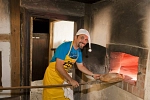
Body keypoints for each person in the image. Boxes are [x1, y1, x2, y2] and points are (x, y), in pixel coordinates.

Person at [42, 29, 101, 100]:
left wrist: (92, 74)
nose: (84, 41)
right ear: (75, 37)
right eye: (82, 38)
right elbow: (58, 66)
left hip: (62, 76)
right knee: (51, 97)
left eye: (86, 39)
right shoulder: (64, 47)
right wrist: (70, 79)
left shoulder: (78, 52)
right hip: (52, 76)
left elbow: (81, 66)